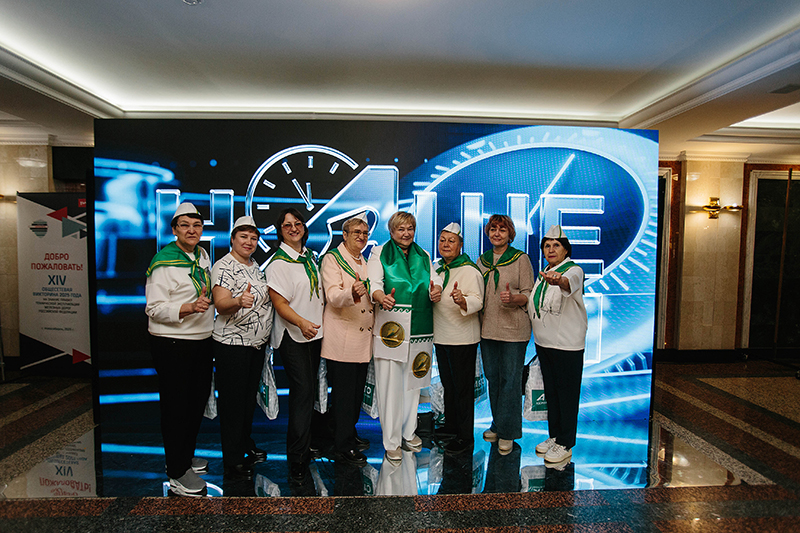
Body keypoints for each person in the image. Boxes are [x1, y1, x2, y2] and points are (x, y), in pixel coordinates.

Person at [145, 202, 214, 497]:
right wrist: (188, 307)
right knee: (176, 408)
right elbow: (153, 308)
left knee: (196, 403)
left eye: (196, 225)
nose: (191, 230)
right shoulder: (163, 262)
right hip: (173, 343)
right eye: (185, 225)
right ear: (174, 229)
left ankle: (184, 455)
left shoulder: (202, 256)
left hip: (202, 341)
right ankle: (176, 471)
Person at [368, 211, 442, 465]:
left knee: (412, 383)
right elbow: (373, 283)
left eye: (410, 228)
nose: (406, 233)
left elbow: (435, 281)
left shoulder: (424, 255)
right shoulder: (379, 253)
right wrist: (380, 297)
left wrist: (436, 291)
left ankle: (408, 433)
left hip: (420, 331)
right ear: (391, 231)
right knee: (390, 386)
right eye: (401, 229)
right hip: (391, 329)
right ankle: (391, 442)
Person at [211, 215, 273, 480]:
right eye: (243, 237)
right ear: (233, 239)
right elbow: (220, 304)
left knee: (248, 401)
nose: (249, 242)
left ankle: (244, 444)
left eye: (253, 238)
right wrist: (238, 301)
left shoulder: (254, 265)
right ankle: (233, 459)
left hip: (255, 345)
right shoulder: (223, 266)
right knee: (233, 403)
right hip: (232, 345)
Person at [266, 208, 324, 483]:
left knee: (310, 393)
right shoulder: (278, 264)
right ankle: (297, 459)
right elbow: (279, 304)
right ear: (280, 231)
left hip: (314, 335)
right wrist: (301, 322)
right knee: (303, 393)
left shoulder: (310, 257)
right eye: (287, 225)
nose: (293, 228)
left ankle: (307, 445)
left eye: (297, 223)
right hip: (293, 335)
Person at [529, 225, 587, 464]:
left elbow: (568, 283)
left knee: (567, 394)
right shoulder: (544, 272)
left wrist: (559, 280)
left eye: (556, 245)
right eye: (547, 246)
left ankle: (566, 442)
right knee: (551, 393)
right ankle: (554, 436)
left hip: (567, 344)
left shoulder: (573, 270)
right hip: (545, 343)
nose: (551, 249)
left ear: (566, 250)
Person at [320, 212, 374, 467]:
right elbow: (332, 296)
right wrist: (351, 293)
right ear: (344, 235)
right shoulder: (332, 259)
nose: (361, 237)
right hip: (342, 338)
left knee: (355, 394)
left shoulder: (365, 260)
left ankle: (348, 433)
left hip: (362, 339)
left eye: (364, 233)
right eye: (356, 233)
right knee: (343, 396)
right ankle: (343, 447)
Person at [478, 214, 534, 455]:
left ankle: (508, 432)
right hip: (487, 329)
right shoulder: (482, 261)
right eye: (493, 229)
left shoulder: (521, 259)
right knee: (493, 377)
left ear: (510, 234)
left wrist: (514, 298)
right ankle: (498, 423)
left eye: (502, 229)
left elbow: (530, 294)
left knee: (510, 380)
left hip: (514, 330)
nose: (497, 233)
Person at [431, 222, 484, 455]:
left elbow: (478, 301)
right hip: (441, 335)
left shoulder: (470, 271)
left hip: (462, 338)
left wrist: (463, 300)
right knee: (449, 385)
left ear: (460, 245)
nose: (446, 244)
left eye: (451, 241)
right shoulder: (436, 268)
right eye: (442, 240)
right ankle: (451, 426)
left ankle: (465, 436)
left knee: (463, 389)